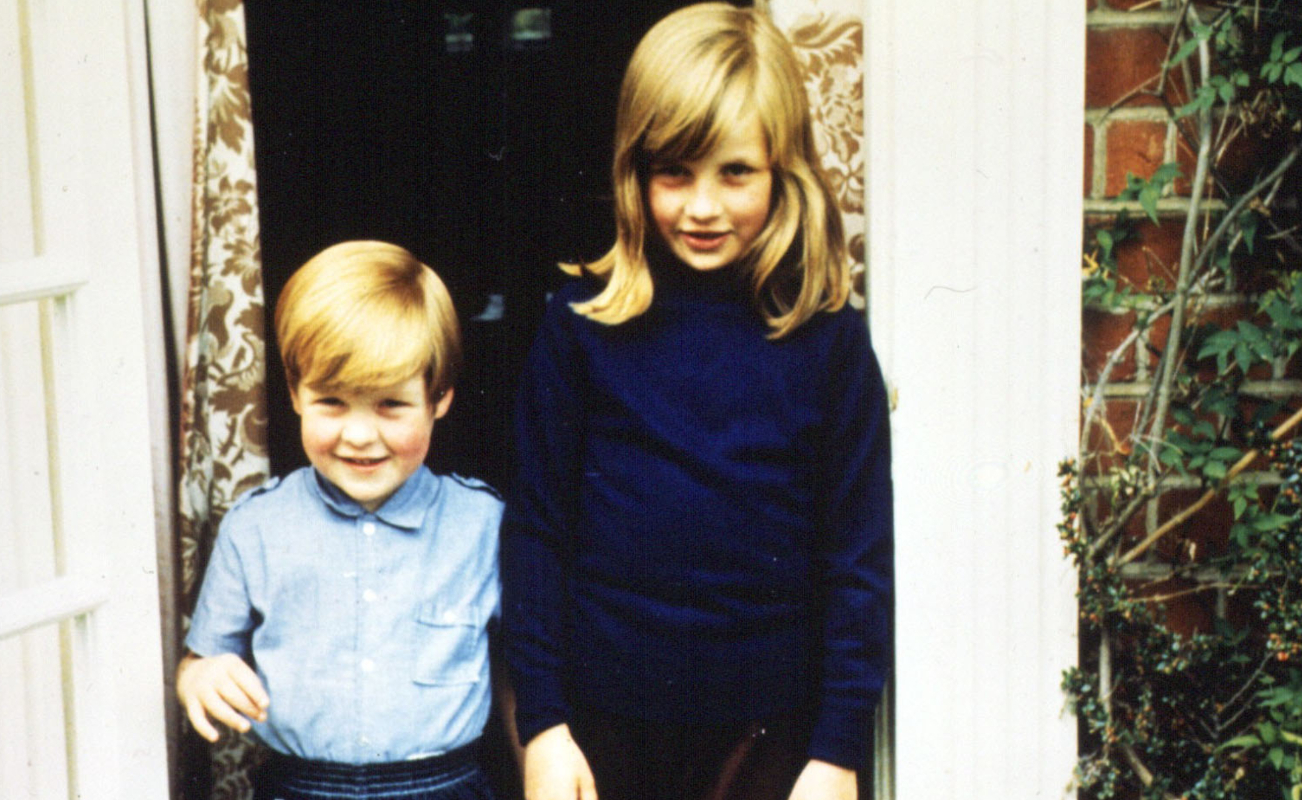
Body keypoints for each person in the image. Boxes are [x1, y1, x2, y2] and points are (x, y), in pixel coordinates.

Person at [502, 4, 893, 800]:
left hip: (766, 737)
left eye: (735, 173)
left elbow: (857, 562)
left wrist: (838, 751)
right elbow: (536, 534)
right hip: (605, 726)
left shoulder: (827, 342)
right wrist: (543, 727)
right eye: (673, 172)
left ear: (784, 170)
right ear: (633, 170)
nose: (702, 206)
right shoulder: (580, 326)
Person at [180, 241, 506, 800]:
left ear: (440, 398)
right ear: (294, 394)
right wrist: (200, 676)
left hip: (444, 786)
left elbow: (526, 672)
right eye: (332, 401)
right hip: (299, 787)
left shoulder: (484, 525)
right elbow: (205, 656)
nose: (359, 435)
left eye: (390, 405)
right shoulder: (255, 528)